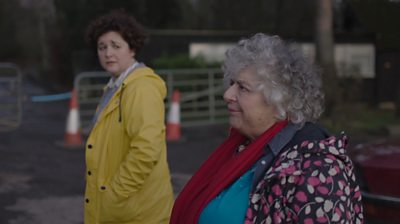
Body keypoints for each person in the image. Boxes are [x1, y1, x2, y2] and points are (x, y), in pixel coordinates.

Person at [170, 33, 364, 224]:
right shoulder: (244, 147)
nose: (227, 94)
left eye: (242, 87)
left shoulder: (318, 169)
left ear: (280, 100)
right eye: (231, 84)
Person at [84, 10, 173, 224]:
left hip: (137, 212)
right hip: (122, 210)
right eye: (102, 47)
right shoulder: (116, 86)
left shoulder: (140, 88)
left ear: (132, 48)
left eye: (116, 46)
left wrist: (115, 195)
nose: (108, 53)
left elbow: (146, 149)